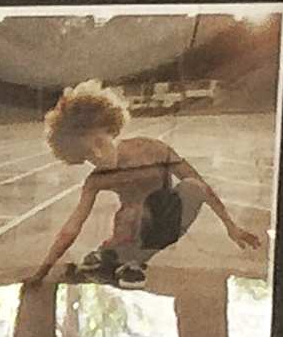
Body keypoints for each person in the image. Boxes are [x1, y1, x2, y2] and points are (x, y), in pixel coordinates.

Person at [24, 79, 264, 287]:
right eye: (87, 155)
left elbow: (201, 185)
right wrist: (42, 271)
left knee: (192, 188)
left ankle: (128, 260)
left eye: (99, 143)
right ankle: (111, 255)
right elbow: (71, 227)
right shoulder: (96, 180)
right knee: (132, 212)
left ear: (111, 129)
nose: (97, 156)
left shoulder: (153, 150)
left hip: (167, 219)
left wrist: (231, 227)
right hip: (131, 227)